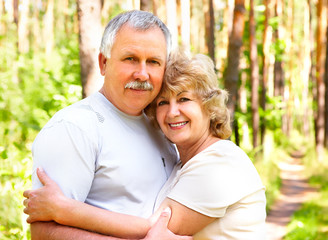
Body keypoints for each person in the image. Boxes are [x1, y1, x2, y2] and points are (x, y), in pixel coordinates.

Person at [24, 50, 267, 239]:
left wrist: (64, 208)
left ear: (209, 106)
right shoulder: (183, 161)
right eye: (162, 103)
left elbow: (152, 229)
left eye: (184, 99)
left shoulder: (220, 164)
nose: (173, 112)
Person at [25, 10, 192, 240]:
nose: (142, 74)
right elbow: (44, 233)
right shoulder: (75, 128)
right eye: (130, 58)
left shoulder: (163, 125)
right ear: (104, 63)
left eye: (153, 62)